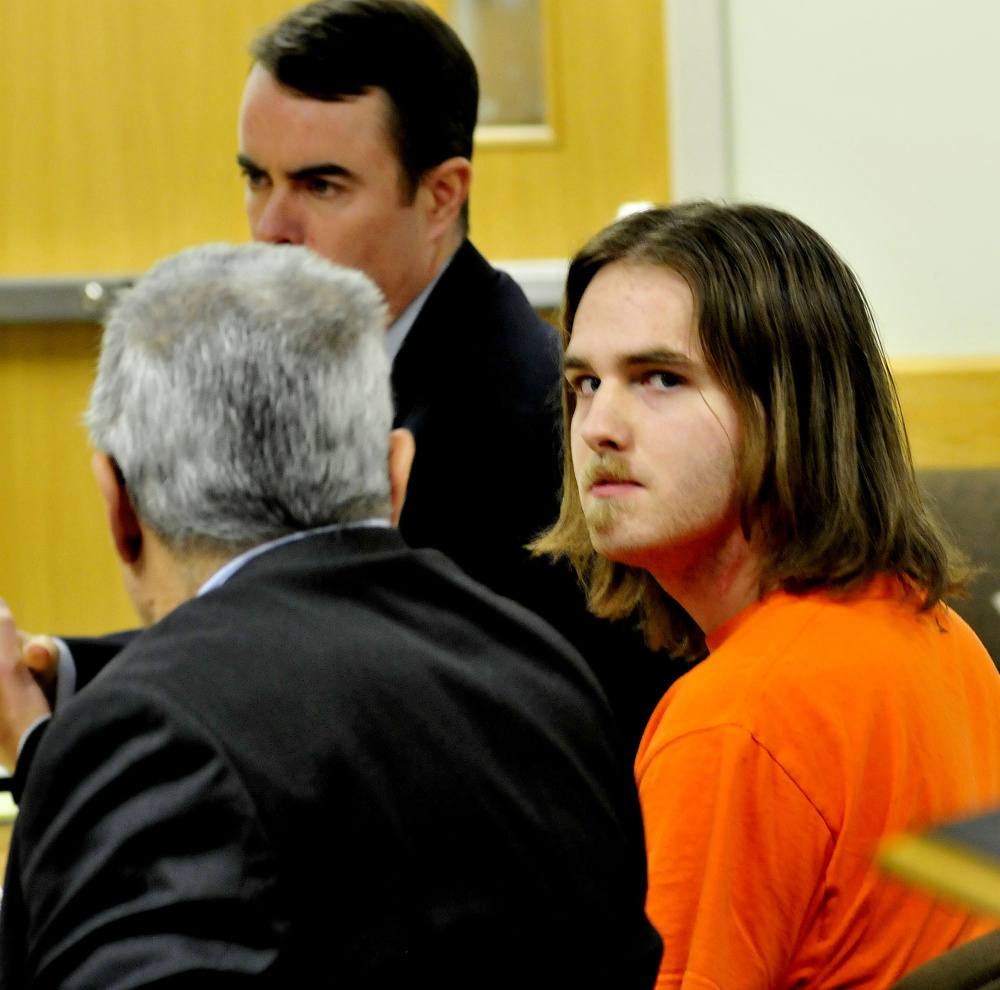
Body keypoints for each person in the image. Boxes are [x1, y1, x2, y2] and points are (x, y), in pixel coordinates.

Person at [18, 0, 675, 760]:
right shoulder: (356, 362)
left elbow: (332, 706)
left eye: (320, 186)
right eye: (256, 179)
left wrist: (45, 741)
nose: (271, 227)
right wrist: (60, 674)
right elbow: (278, 626)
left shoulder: (495, 422)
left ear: (441, 196)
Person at [0, 243, 662, 989]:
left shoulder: (139, 735)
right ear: (396, 473)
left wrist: (47, 753)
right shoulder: (546, 677)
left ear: (118, 504)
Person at [533, 202, 1000, 989]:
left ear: (790, 412)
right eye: (584, 383)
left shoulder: (734, 725)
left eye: (660, 379)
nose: (597, 427)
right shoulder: (940, 632)